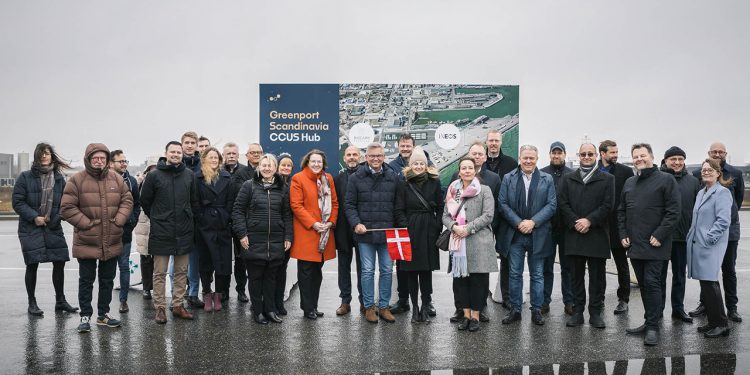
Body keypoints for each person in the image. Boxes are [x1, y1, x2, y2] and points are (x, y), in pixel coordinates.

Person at [61, 143, 133, 333]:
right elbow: (67, 208)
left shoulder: (116, 179)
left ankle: (103, 314)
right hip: (87, 240)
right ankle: (85, 315)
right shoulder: (76, 180)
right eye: (95, 158)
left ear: (107, 160)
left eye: (102, 158)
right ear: (88, 159)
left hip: (112, 239)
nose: (99, 161)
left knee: (107, 279)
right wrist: (86, 223)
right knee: (86, 279)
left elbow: (127, 200)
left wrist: (119, 220)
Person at [619, 143, 681, 346]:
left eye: (642, 155)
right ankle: (648, 321)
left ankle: (653, 327)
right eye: (635, 156)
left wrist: (660, 234)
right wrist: (623, 234)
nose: (639, 159)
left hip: (656, 244)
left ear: (652, 157)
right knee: (644, 284)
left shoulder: (666, 179)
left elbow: (674, 211)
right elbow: (621, 211)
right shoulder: (629, 182)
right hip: (635, 245)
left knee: (653, 283)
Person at [12, 143, 78, 316]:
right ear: (36, 156)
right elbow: (17, 202)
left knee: (59, 262)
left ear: (51, 156)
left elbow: (65, 203)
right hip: (30, 228)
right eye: (41, 153)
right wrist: (34, 217)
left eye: (47, 153)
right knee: (32, 264)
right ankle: (32, 303)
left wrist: (56, 219)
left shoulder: (58, 178)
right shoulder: (25, 177)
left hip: (53, 226)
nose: (44, 156)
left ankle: (60, 301)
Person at [140, 141, 199, 324]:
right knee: (159, 273)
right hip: (161, 231)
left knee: (181, 271)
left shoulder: (189, 175)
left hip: (184, 231)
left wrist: (188, 218)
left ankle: (178, 305)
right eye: (172, 152)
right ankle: (159, 308)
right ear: (166, 153)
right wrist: (158, 217)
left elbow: (194, 202)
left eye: (178, 152)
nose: (175, 154)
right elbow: (145, 201)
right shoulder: (154, 175)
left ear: (182, 154)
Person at [557, 143, 614, 328]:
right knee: (576, 277)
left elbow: (608, 205)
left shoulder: (607, 179)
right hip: (575, 234)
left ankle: (595, 313)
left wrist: (589, 221)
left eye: (590, 153)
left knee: (597, 278)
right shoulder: (568, 179)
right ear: (578, 155)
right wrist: (576, 222)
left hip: (596, 234)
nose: (587, 156)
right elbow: (563, 204)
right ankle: (578, 312)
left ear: (596, 155)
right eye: (583, 154)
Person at [498, 145, 557, 326]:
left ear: (537, 159)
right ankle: (515, 309)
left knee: (537, 274)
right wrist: (519, 222)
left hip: (538, 234)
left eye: (532, 158)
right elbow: (503, 203)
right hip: (515, 234)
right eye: (525, 158)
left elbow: (552, 205)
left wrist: (533, 222)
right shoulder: (508, 178)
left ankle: (536, 310)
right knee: (515, 273)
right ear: (520, 158)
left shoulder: (547, 179)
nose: (528, 161)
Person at [232, 153, 293, 324]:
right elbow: (237, 211)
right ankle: (258, 311)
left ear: (275, 168)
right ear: (259, 167)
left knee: (271, 278)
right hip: (253, 240)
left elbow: (287, 215)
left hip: (276, 240)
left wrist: (288, 236)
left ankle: (270, 310)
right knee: (255, 277)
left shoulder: (282, 188)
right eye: (264, 165)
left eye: (270, 165)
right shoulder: (249, 186)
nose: (267, 168)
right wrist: (242, 234)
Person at [689, 142, 745, 322]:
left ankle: (730, 310)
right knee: (707, 276)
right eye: (714, 151)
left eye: (721, 151)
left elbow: (735, 204)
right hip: (707, 238)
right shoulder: (701, 186)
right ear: (709, 153)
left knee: (727, 271)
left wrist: (709, 237)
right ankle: (708, 310)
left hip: (724, 235)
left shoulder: (732, 178)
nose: (718, 153)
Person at [345, 142, 399, 323]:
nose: (376, 159)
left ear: (384, 157)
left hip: (387, 233)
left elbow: (397, 206)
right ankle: (369, 307)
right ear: (366, 157)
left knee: (386, 270)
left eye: (379, 156)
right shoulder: (355, 178)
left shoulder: (393, 177)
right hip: (365, 234)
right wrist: (356, 223)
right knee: (367, 271)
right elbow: (349, 205)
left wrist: (400, 227)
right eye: (372, 156)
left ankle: (384, 307)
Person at [443, 157, 497, 331]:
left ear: (475, 170)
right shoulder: (453, 190)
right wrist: (453, 226)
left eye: (470, 168)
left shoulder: (484, 190)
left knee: (478, 281)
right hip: (458, 240)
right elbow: (445, 215)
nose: (467, 171)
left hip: (479, 240)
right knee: (461, 281)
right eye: (463, 168)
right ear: (459, 171)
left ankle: (475, 316)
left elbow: (488, 215)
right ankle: (465, 315)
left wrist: (467, 228)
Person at [394, 146, 444, 323]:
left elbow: (440, 206)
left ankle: (425, 305)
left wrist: (437, 225)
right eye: (415, 163)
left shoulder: (434, 181)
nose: (418, 166)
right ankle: (414, 307)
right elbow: (398, 209)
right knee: (410, 271)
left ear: (426, 164)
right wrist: (406, 227)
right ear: (410, 164)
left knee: (425, 270)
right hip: (411, 230)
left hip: (429, 228)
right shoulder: (403, 183)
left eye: (421, 163)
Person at [687, 158, 734, 338]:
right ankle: (713, 322)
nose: (706, 172)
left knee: (710, 282)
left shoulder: (722, 193)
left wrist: (709, 238)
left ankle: (721, 324)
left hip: (710, 244)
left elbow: (723, 221)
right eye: (704, 170)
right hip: (698, 243)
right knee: (705, 283)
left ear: (718, 173)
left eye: (710, 170)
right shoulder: (701, 192)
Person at [290, 150, 339, 320]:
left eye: (319, 161)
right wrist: (313, 223)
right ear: (307, 162)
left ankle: (314, 305)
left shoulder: (328, 179)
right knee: (306, 272)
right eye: (313, 161)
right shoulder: (298, 178)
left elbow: (334, 203)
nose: (316, 164)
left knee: (317, 272)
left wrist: (331, 222)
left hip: (324, 232)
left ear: (323, 163)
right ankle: (307, 307)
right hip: (308, 232)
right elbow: (296, 205)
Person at [659, 146, 700, 323]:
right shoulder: (658, 179)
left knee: (679, 276)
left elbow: (698, 209)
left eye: (680, 159)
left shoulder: (692, 182)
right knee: (658, 277)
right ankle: (657, 310)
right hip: (660, 237)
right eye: (672, 159)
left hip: (682, 237)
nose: (676, 162)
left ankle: (678, 309)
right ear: (665, 161)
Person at [194, 147, 234, 312]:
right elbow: (194, 202)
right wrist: (202, 218)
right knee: (205, 262)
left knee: (222, 262)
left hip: (222, 226)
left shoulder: (227, 177)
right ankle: (207, 293)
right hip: (204, 227)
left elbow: (231, 201)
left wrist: (224, 216)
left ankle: (218, 294)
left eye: (216, 157)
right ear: (204, 159)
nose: (213, 160)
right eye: (210, 157)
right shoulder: (197, 178)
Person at [598, 140, 634, 314]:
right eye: (612, 152)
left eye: (616, 152)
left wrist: (627, 227)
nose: (615, 155)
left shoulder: (626, 171)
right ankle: (599, 299)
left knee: (621, 264)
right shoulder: (593, 171)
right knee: (598, 266)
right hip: (598, 226)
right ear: (603, 153)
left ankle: (623, 299)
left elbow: (631, 198)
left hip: (618, 225)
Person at [484, 129, 518, 311]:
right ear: (487, 142)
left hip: (504, 217)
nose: (494, 144)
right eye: (491, 141)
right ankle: (480, 297)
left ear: (501, 142)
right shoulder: (478, 163)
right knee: (481, 258)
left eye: (496, 141)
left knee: (506, 257)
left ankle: (507, 296)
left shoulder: (511, 163)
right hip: (484, 219)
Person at [539, 141, 574, 315]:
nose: (556, 156)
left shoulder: (572, 174)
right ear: (550, 154)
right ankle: (545, 301)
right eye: (554, 153)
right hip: (548, 229)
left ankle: (569, 301)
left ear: (565, 155)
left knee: (568, 268)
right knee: (547, 267)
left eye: (559, 153)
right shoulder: (542, 173)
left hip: (567, 230)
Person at [109, 150, 141, 314]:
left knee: (124, 266)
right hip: (107, 231)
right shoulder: (103, 180)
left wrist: (133, 221)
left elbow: (137, 204)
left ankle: (123, 300)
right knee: (107, 267)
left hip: (125, 230)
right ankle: (104, 303)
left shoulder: (132, 181)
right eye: (120, 161)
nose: (124, 163)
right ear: (111, 163)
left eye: (125, 161)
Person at [334, 145, 364, 315]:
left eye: (355, 154)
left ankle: (364, 301)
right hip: (343, 229)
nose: (352, 157)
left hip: (361, 228)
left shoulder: (365, 177)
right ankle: (345, 301)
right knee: (343, 266)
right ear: (344, 158)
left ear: (359, 157)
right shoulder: (338, 179)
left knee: (363, 266)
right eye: (349, 155)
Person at [181, 131, 203, 308]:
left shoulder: (202, 165)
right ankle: (178, 295)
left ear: (196, 145)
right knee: (176, 262)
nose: (189, 145)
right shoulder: (175, 163)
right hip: (179, 220)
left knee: (194, 260)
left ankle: (194, 293)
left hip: (197, 218)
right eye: (186, 142)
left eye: (192, 143)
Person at [134, 161, 158, 300]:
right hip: (143, 224)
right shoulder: (141, 183)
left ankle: (156, 286)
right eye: (150, 170)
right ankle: (146, 288)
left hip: (158, 223)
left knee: (159, 259)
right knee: (145, 257)